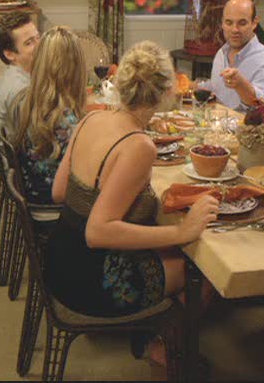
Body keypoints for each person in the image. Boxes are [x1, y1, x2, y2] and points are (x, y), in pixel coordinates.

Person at [45, 41, 219, 364]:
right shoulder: (139, 145)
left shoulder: (89, 119)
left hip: (56, 259)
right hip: (88, 279)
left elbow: (58, 192)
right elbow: (97, 232)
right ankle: (162, 349)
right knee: (204, 272)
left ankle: (149, 332)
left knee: (164, 245)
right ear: (166, 91)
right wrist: (182, 233)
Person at [12, 26, 85, 205]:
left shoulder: (27, 101)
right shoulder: (65, 121)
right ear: (75, 68)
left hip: (34, 194)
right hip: (54, 210)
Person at [210, 0, 264, 110]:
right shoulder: (221, 53)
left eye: (242, 23)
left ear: (254, 23)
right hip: (219, 123)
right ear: (222, 23)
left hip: (251, 127)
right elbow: (217, 89)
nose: (234, 30)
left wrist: (242, 86)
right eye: (229, 23)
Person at [0, 11, 40, 140]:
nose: (39, 45)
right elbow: (34, 138)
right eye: (29, 43)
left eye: (38, 38)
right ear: (10, 54)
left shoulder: (16, 74)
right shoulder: (20, 88)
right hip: (20, 156)